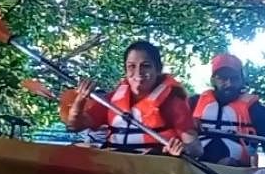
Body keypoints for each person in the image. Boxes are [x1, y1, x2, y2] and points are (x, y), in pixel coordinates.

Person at [61, 40, 201, 157]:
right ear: (126, 70)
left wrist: (182, 150)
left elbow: (196, 149)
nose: (138, 72)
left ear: (157, 70)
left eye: (145, 66)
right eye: (131, 66)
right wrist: (80, 101)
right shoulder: (111, 99)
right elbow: (74, 126)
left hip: (153, 163)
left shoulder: (173, 102)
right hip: (116, 161)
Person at [189, 53, 265, 167]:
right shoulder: (192, 103)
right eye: (223, 78)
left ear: (242, 80)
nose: (229, 83)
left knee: (228, 162)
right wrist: (187, 125)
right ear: (213, 80)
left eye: (234, 78)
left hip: (235, 170)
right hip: (194, 163)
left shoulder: (257, 111)